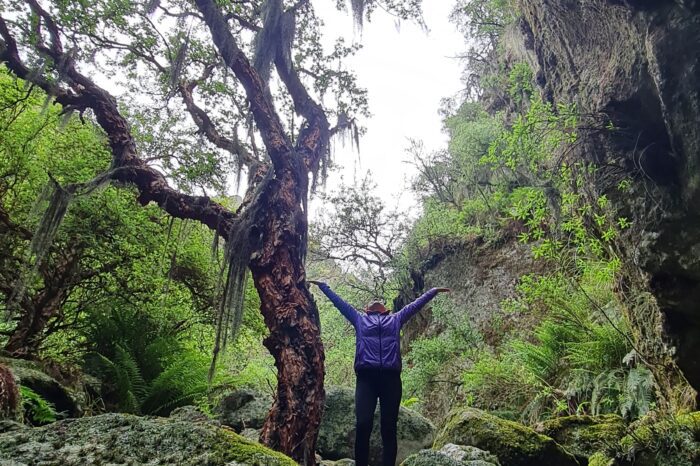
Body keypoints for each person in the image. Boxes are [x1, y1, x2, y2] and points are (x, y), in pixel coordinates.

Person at [308, 280, 450, 466]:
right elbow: (340, 304)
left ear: (386, 309)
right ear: (367, 309)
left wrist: (432, 291)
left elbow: (415, 306)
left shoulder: (396, 319)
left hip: (390, 379)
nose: (375, 302)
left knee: (389, 427)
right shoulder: (359, 319)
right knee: (363, 424)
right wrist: (324, 287)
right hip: (366, 379)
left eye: (379, 301)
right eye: (372, 302)